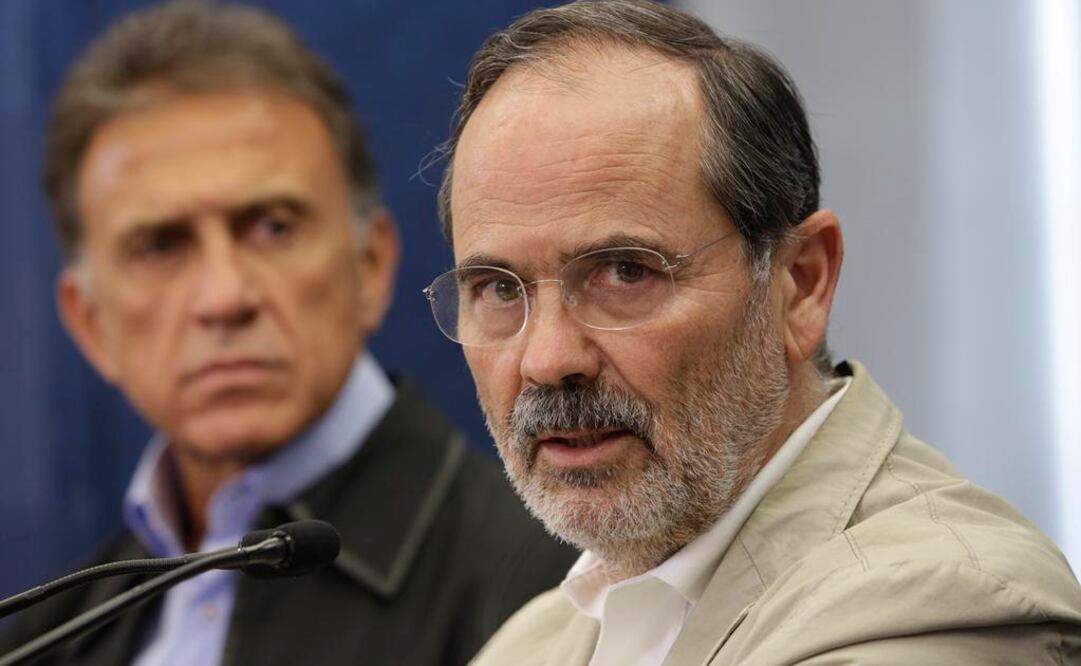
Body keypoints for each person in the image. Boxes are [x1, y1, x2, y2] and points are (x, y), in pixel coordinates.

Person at [422, 1, 1081, 663]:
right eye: (499, 288)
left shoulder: (941, 603)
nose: (547, 358)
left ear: (799, 284)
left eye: (624, 272)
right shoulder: (535, 642)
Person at [0, 3, 577, 665]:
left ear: (369, 267)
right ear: (89, 323)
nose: (224, 298)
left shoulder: (554, 590)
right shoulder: (46, 637)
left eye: (273, 227)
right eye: (160, 246)